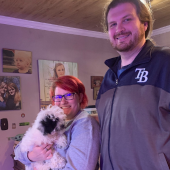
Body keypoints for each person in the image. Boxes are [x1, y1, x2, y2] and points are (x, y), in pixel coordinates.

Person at [96, 0, 170, 170]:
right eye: (112, 24)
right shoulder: (109, 77)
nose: (119, 29)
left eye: (127, 20)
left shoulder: (165, 62)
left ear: (145, 24)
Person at [14, 75, 100, 170]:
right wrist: (31, 156)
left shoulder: (85, 125)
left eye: (69, 95)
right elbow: (18, 151)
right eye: (58, 97)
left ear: (80, 97)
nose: (63, 101)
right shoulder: (52, 119)